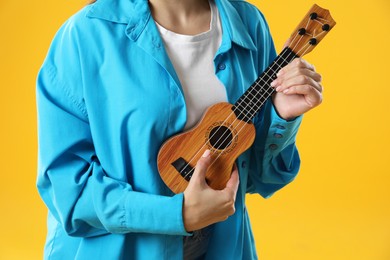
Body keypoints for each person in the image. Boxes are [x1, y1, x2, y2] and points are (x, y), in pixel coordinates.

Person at [36, 0, 323, 259]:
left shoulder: (249, 23)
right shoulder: (84, 36)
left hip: (222, 247)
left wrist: (282, 118)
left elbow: (259, 178)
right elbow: (69, 192)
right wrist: (177, 215)